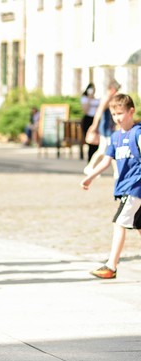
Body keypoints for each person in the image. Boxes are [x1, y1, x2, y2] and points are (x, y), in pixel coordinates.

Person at [80, 93, 141, 279]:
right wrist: (90, 177)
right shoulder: (115, 137)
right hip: (126, 187)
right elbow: (106, 161)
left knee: (119, 223)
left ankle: (111, 266)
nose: (117, 118)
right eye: (113, 114)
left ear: (131, 111)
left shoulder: (138, 133)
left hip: (135, 186)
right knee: (139, 226)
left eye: (120, 113)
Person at [85, 80, 120, 177]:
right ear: (112, 89)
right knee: (105, 150)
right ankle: (90, 167)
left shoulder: (111, 98)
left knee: (106, 150)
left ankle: (116, 171)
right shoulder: (107, 98)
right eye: (116, 89)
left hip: (109, 128)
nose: (117, 92)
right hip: (106, 128)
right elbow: (99, 112)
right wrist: (94, 126)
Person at [81, 83, 101, 161]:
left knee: (96, 141)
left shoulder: (97, 99)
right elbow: (85, 110)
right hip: (88, 119)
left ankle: (94, 160)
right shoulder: (85, 98)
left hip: (96, 119)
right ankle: (90, 159)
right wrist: (89, 98)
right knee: (90, 140)